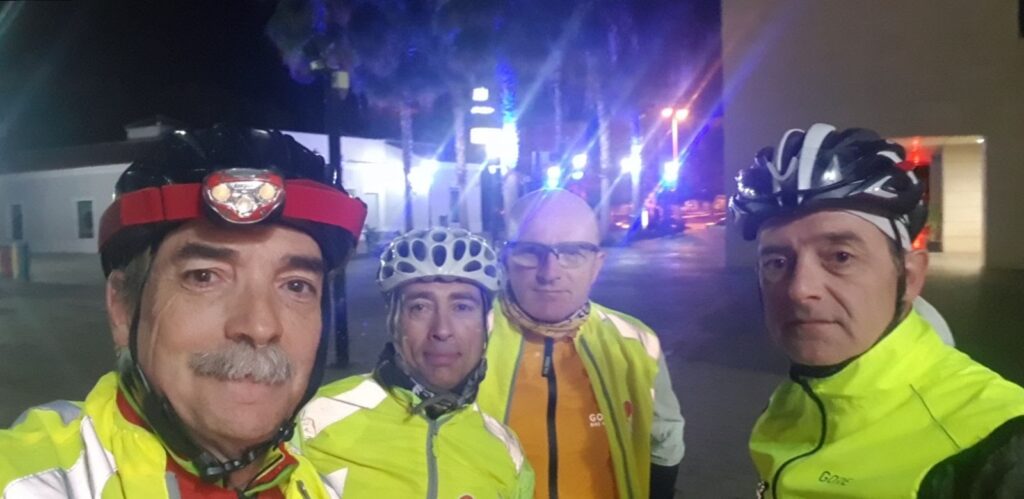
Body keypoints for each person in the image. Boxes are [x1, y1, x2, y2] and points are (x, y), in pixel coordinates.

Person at [0, 125, 367, 498]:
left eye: (296, 286)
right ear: (122, 307)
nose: (259, 326)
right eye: (204, 277)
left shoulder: (315, 486)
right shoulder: (32, 480)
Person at [730, 122, 1024, 498]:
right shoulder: (793, 401)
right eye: (776, 262)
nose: (800, 290)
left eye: (841, 256)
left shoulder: (997, 446)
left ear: (910, 276)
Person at [478, 189, 685, 499]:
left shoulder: (637, 342)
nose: (550, 273)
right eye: (531, 252)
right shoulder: (466, 340)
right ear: (505, 259)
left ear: (596, 265)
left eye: (572, 253)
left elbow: (665, 440)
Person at [296, 227, 534, 498]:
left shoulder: (506, 453)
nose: (442, 330)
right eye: (420, 307)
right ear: (393, 320)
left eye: (462, 307)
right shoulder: (312, 422)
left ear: (488, 323)